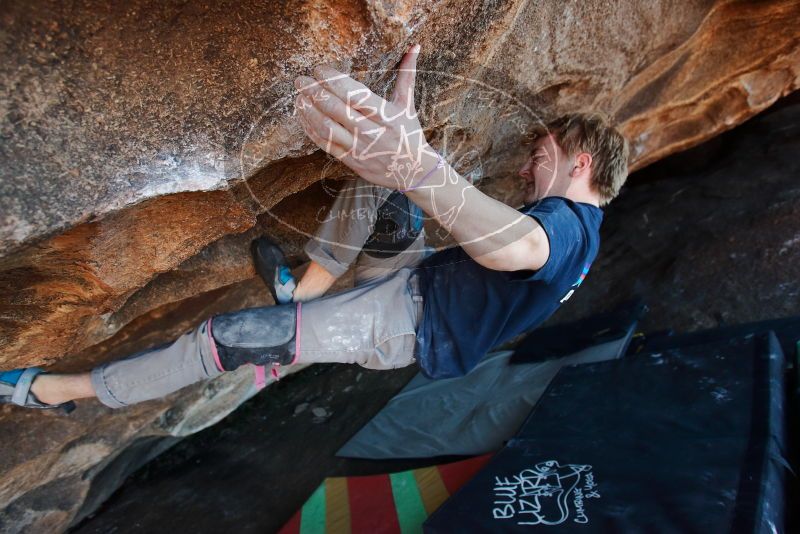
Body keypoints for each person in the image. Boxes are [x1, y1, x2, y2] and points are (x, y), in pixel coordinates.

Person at [0, 44, 629, 412]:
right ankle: (305, 287)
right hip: (415, 279)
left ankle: (58, 390)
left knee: (226, 339)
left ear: (580, 163)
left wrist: (423, 167)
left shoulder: (568, 228)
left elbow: (520, 249)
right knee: (384, 181)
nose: (524, 168)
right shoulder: (582, 232)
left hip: (405, 324)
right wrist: (409, 165)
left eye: (539, 155)